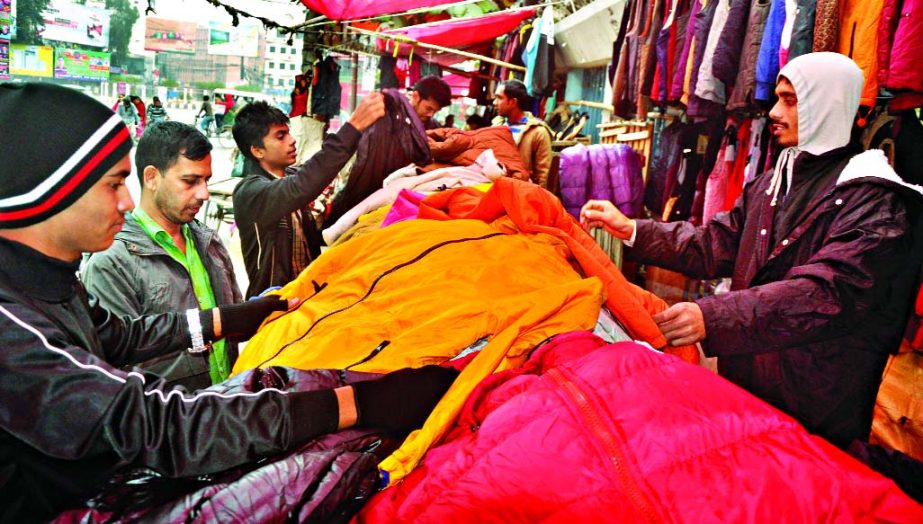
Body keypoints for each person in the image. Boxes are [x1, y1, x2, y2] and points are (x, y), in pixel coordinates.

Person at [0, 82, 457, 522]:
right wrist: (354, 404)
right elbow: (156, 424)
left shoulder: (59, 281)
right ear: (48, 190)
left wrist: (231, 318)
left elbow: (121, 335)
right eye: (114, 183)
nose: (125, 201)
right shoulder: (12, 326)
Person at [580, 53, 923, 449]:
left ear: (829, 103)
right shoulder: (770, 184)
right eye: (777, 98)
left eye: (791, 100)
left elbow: (828, 292)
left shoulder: (877, 201)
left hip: (818, 405)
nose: (774, 112)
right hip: (747, 384)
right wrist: (634, 230)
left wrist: (713, 317)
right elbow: (714, 244)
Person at [82, 121, 240, 390]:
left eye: (206, 181)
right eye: (190, 181)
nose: (203, 194)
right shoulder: (112, 261)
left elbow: (233, 319)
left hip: (224, 407)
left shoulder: (209, 241)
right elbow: (117, 373)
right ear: (152, 177)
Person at [232, 94, 385, 298]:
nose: (292, 141)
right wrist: (353, 127)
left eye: (288, 133)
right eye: (280, 136)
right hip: (273, 301)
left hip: (305, 293)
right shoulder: (251, 193)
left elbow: (316, 171)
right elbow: (304, 184)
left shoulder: (291, 177)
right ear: (257, 150)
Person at [492, 79, 553, 188]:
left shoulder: (538, 132)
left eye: (499, 98)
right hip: (496, 189)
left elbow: (543, 174)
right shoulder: (497, 125)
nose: (494, 102)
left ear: (513, 102)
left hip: (521, 193)